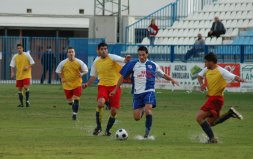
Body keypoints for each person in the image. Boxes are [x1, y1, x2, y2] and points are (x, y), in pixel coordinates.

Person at [110, 46, 179, 138]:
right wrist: (115, 89)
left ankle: (147, 132)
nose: (141, 57)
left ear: (147, 54)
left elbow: (162, 75)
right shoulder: (132, 64)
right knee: (137, 118)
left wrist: (171, 79)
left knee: (148, 110)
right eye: (139, 55)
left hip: (149, 91)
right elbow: (122, 77)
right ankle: (142, 108)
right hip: (137, 94)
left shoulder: (153, 65)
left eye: (143, 55)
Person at [83, 42, 131, 136]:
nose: (104, 51)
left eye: (105, 49)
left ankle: (107, 130)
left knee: (113, 111)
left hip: (115, 87)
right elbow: (93, 76)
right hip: (103, 86)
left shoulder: (112, 57)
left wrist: (126, 59)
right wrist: (87, 84)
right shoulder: (96, 61)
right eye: (102, 49)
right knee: (100, 103)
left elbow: (123, 60)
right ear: (98, 50)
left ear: (107, 50)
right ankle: (98, 127)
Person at [196, 53, 244, 143]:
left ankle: (212, 139)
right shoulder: (206, 69)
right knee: (211, 122)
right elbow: (199, 76)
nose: (204, 64)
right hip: (215, 99)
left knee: (199, 117)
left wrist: (240, 79)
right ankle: (230, 114)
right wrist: (202, 84)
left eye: (206, 62)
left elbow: (233, 76)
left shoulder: (221, 71)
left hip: (216, 99)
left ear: (211, 62)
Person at [56, 47, 88, 120]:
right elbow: (58, 71)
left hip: (77, 84)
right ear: (67, 53)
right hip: (67, 85)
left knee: (76, 98)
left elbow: (86, 70)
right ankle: (72, 103)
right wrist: (62, 78)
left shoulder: (79, 62)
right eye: (69, 52)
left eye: (72, 52)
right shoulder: (63, 63)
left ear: (74, 53)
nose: (71, 53)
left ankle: (74, 114)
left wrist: (82, 74)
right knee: (70, 102)